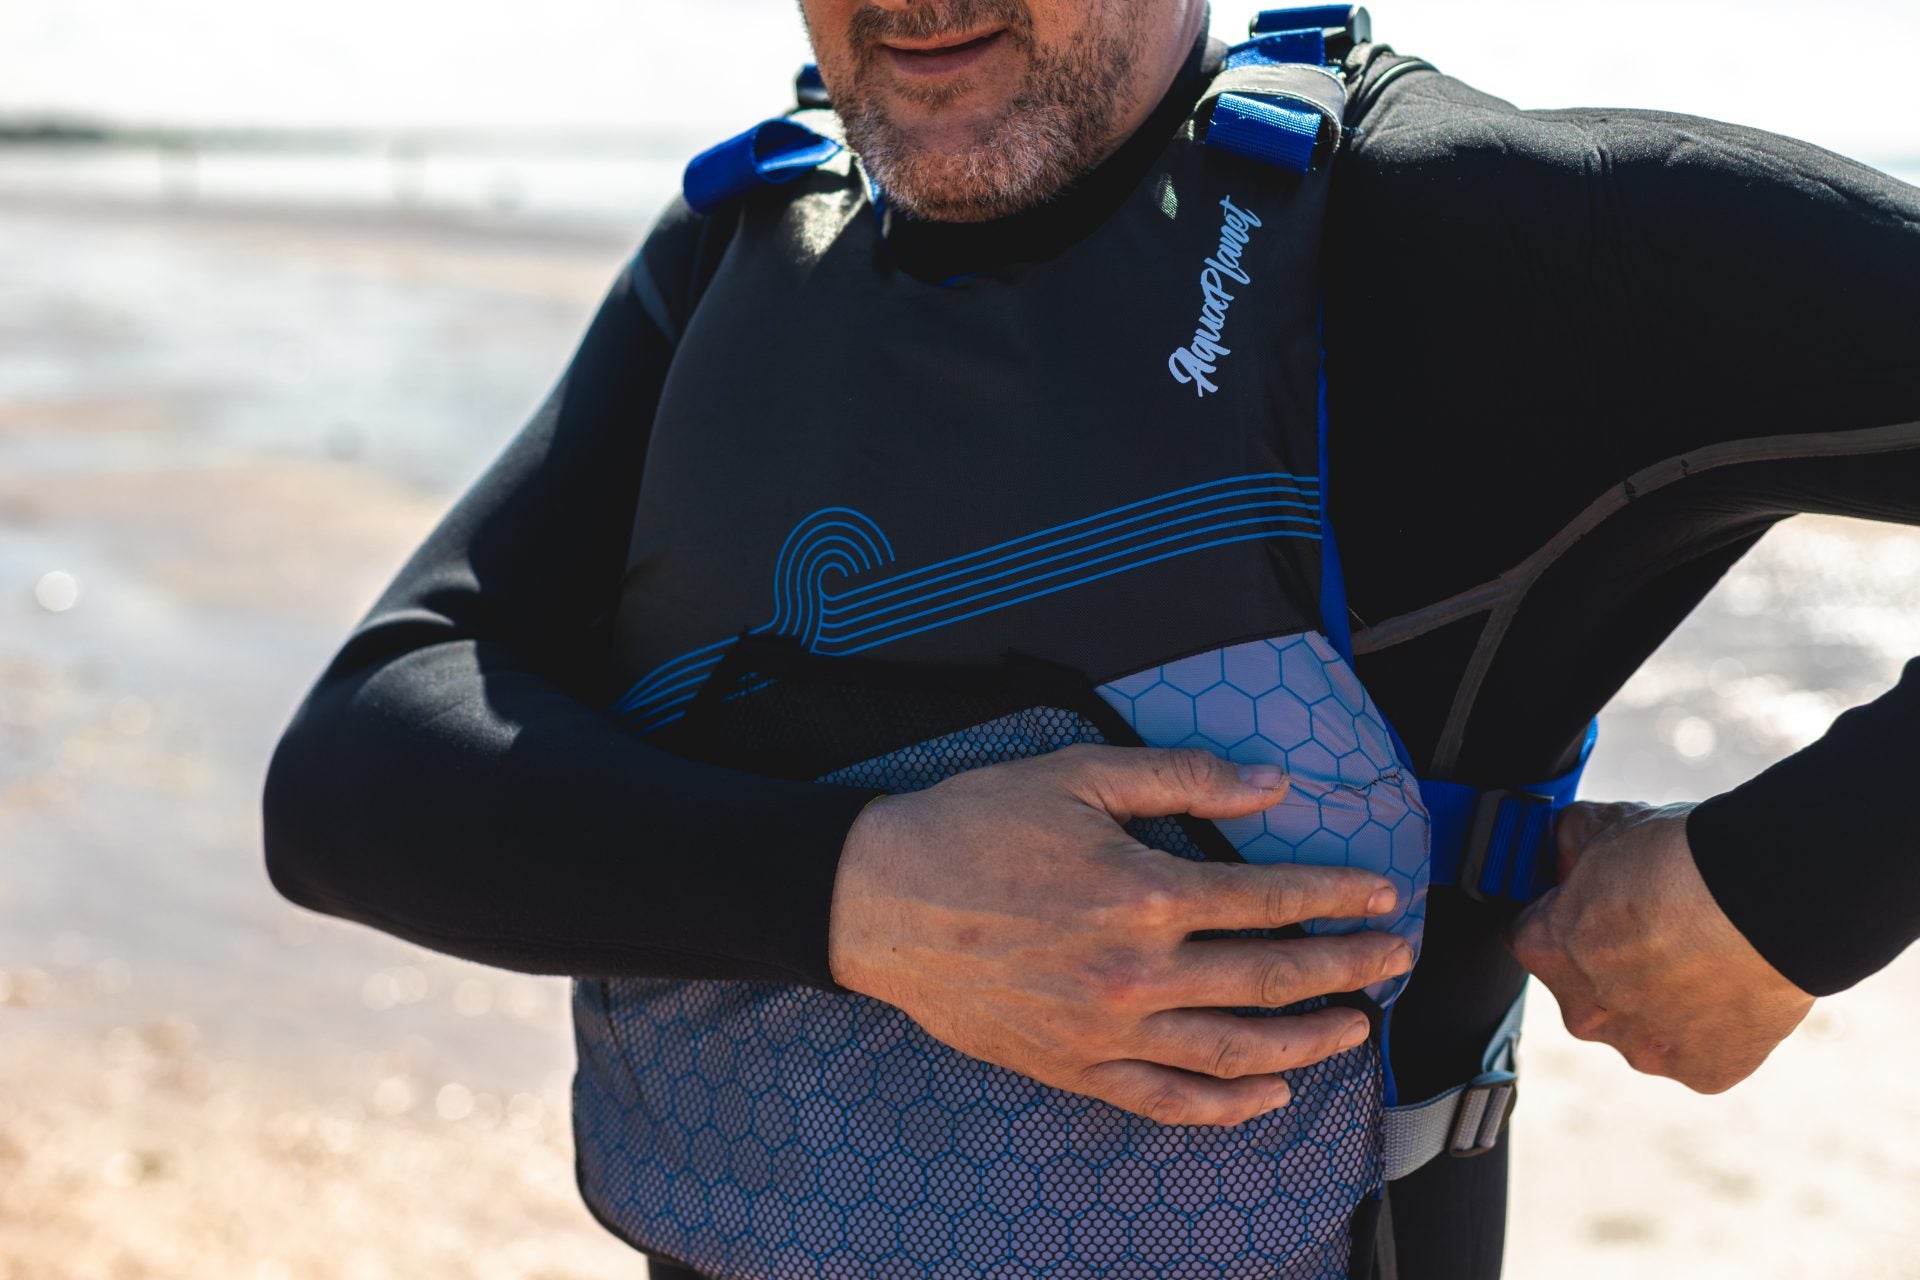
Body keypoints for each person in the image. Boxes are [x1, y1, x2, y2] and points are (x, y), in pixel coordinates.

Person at [261, 2, 1920, 1276]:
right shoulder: (744, 252)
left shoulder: (1476, 240)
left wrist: (1787, 891)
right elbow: (354, 771)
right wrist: (861, 896)